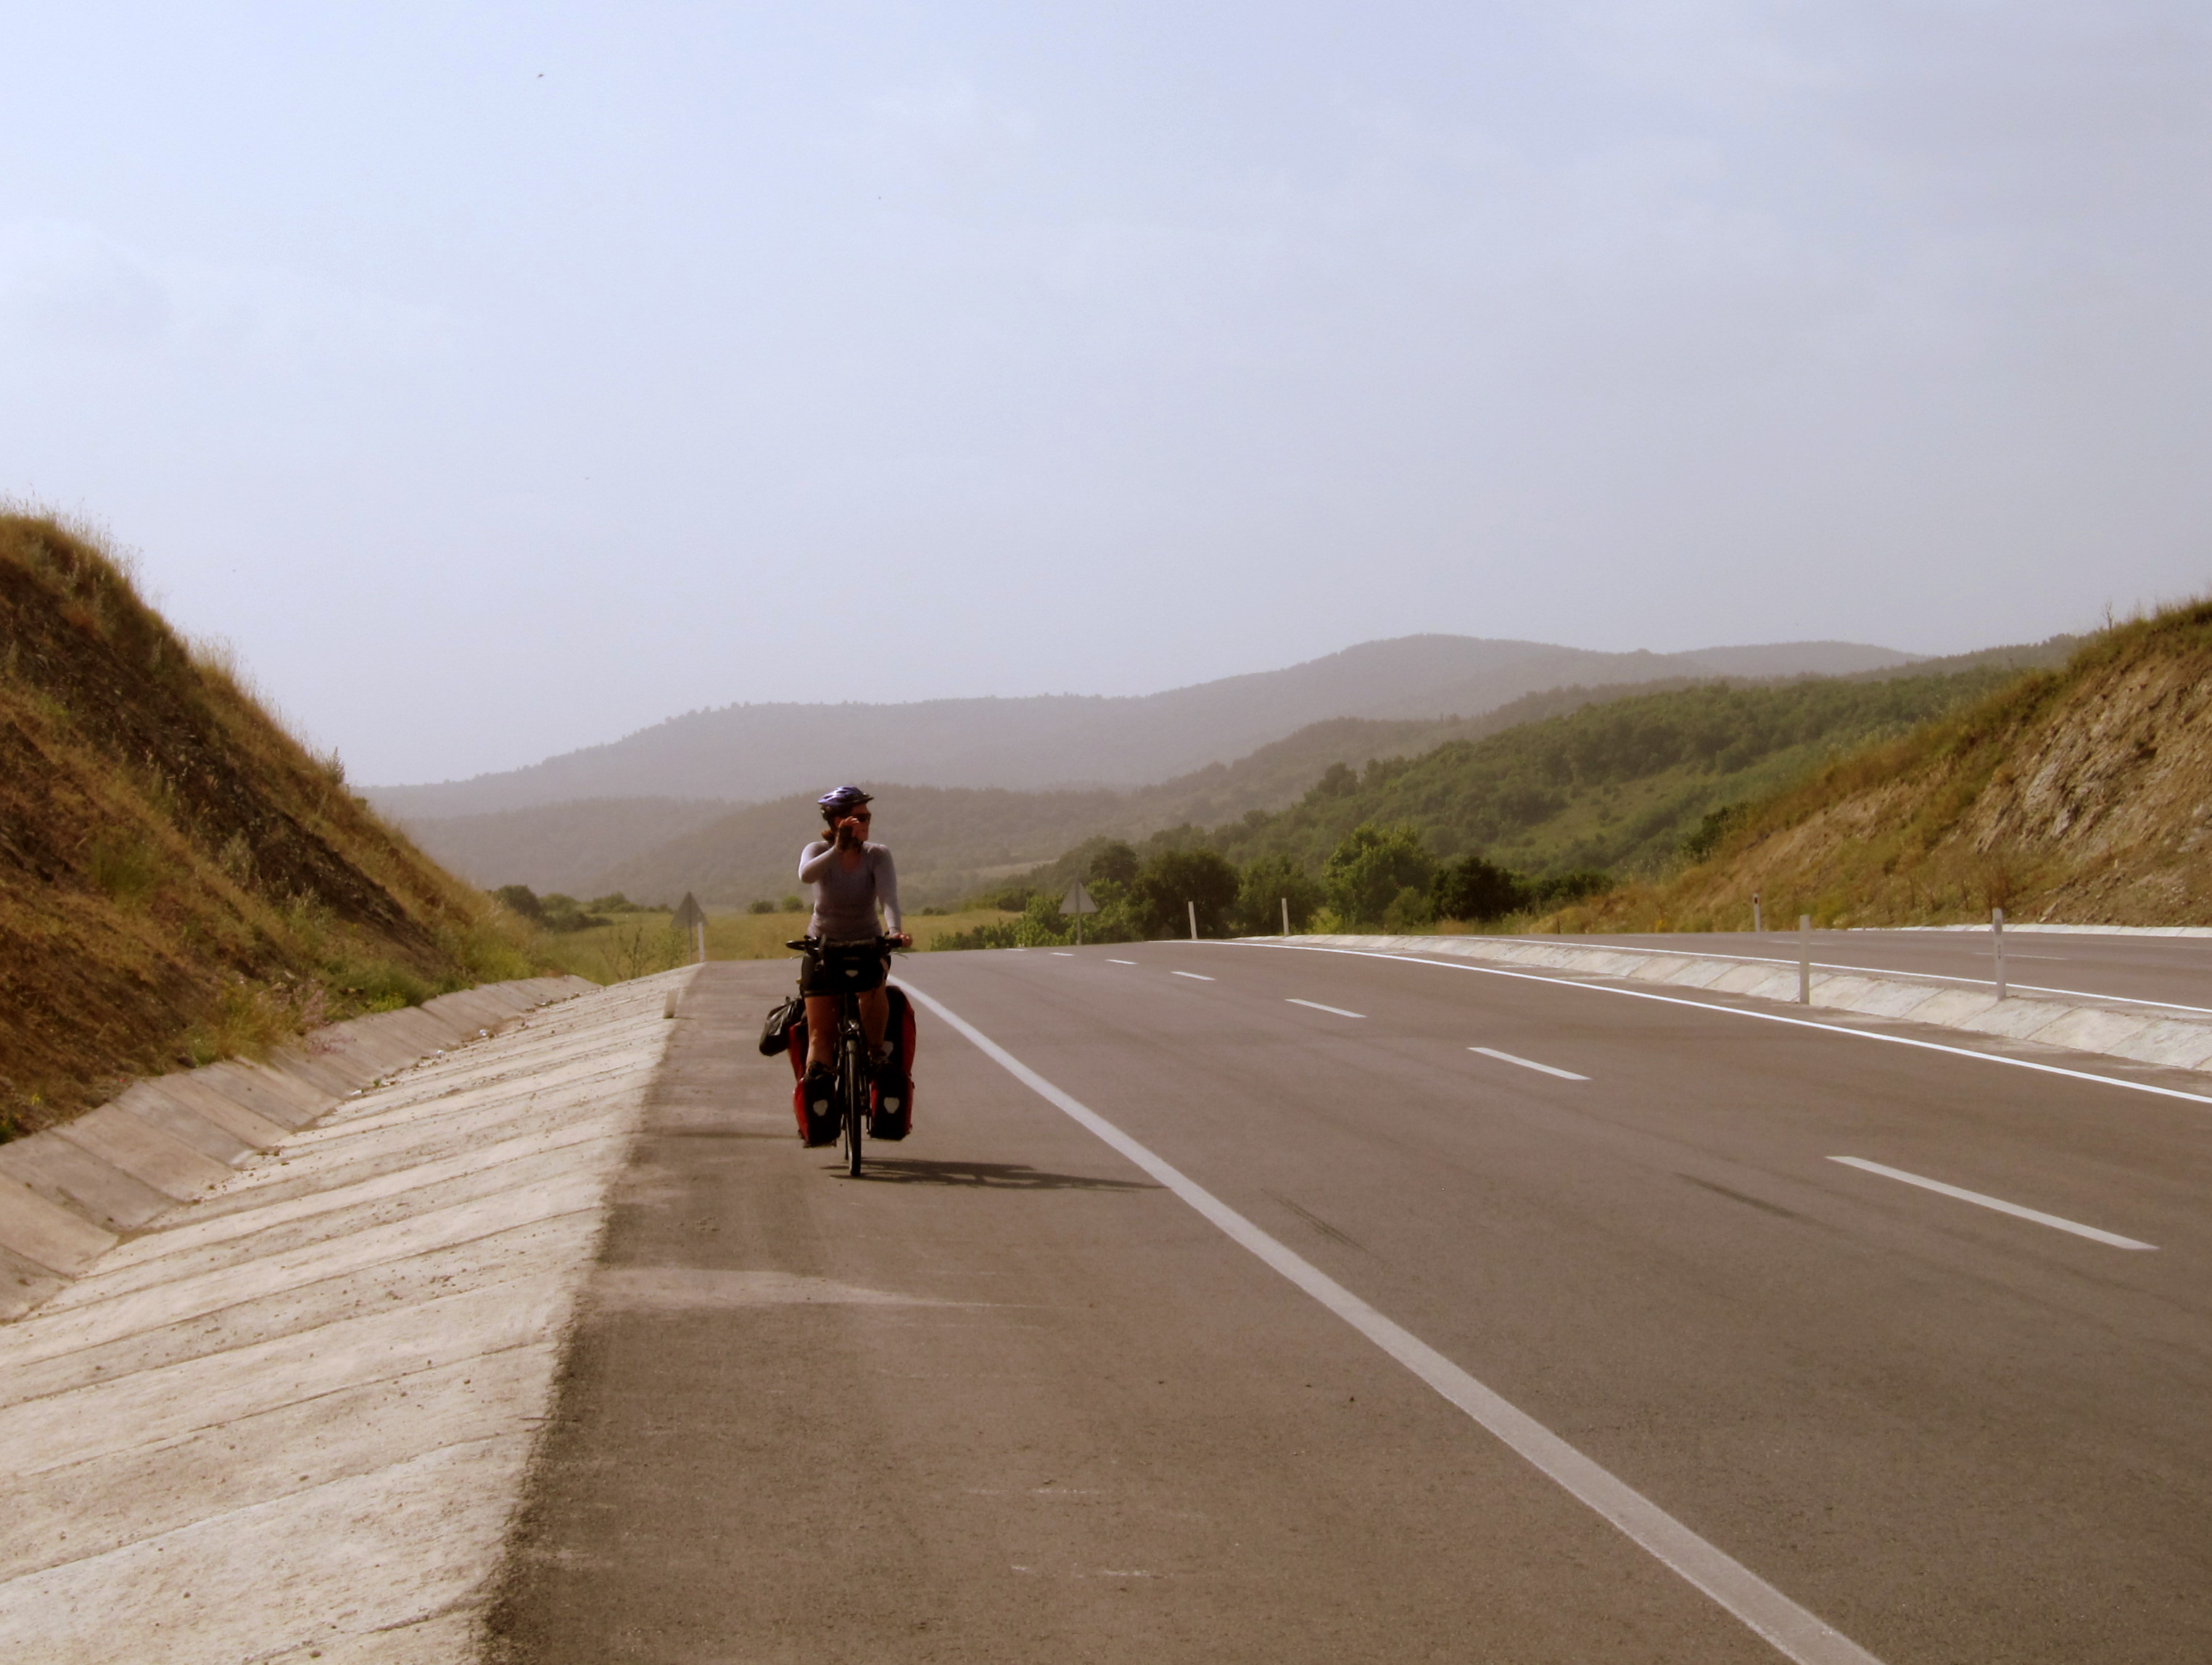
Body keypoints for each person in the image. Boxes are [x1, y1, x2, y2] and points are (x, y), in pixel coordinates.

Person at [796, 786, 912, 1133]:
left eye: (867, 817)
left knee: (874, 991)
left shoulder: (878, 855)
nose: (866, 823)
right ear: (837, 821)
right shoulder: (818, 851)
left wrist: (895, 931)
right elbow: (806, 875)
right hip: (823, 945)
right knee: (820, 1035)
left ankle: (875, 1053)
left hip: (867, 942)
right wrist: (838, 848)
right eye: (858, 818)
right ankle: (819, 1101)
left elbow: (888, 897)